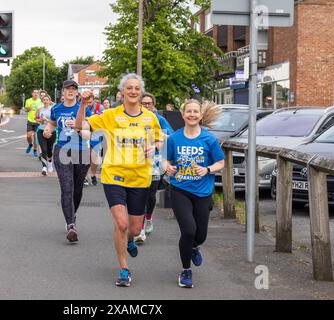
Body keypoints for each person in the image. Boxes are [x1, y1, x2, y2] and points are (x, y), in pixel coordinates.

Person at [75, 73, 163, 287]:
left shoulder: (150, 118)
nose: (133, 91)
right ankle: (124, 268)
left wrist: (155, 146)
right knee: (121, 224)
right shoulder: (111, 115)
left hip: (140, 177)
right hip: (114, 174)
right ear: (122, 92)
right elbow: (80, 126)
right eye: (129, 88)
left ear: (140, 93)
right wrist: (82, 105)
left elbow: (159, 139)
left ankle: (131, 240)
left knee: (133, 229)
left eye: (136, 88)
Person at [164, 99, 224, 289]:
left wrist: (207, 169)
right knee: (188, 230)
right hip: (180, 189)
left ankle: (194, 247)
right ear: (183, 115)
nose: (191, 114)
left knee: (201, 235)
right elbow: (164, 160)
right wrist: (167, 167)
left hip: (203, 192)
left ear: (200, 115)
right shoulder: (174, 138)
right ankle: (185, 271)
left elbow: (221, 163)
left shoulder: (209, 139)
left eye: (195, 112)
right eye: (188, 111)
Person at [43, 80, 92, 243]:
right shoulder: (56, 108)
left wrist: (78, 128)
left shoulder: (83, 109)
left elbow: (88, 134)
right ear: (62, 92)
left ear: (77, 93)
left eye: (73, 89)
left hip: (81, 151)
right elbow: (51, 124)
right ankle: (71, 225)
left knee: (77, 189)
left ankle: (72, 214)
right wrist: (48, 131)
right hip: (62, 150)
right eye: (67, 89)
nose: (70, 91)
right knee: (66, 187)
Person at [134, 93, 174, 244]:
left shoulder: (159, 119)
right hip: (136, 162)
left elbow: (170, 135)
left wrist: (157, 139)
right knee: (140, 195)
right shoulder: (135, 117)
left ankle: (148, 218)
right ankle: (140, 228)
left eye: (149, 103)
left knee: (151, 195)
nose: (146, 106)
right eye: (143, 103)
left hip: (155, 162)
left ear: (153, 105)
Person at [85, 94, 105, 186]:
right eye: (86, 102)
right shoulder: (81, 107)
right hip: (85, 134)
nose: (88, 104)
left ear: (93, 100)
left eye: (90, 102)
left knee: (95, 158)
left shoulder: (100, 108)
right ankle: (84, 176)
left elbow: (102, 120)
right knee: (85, 157)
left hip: (96, 135)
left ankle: (93, 174)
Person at [36, 94, 56, 176]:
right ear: (42, 101)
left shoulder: (52, 109)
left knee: (49, 149)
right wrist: (40, 120)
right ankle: (44, 167)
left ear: (49, 101)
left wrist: (46, 119)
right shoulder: (39, 109)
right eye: (44, 100)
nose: (45, 101)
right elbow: (36, 118)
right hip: (41, 131)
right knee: (43, 149)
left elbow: (54, 121)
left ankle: (50, 163)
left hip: (51, 131)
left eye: (47, 100)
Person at [24, 89, 44, 157]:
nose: (35, 94)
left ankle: (35, 150)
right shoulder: (28, 100)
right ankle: (30, 144)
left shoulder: (40, 101)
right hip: (30, 120)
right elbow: (26, 110)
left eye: (37, 93)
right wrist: (29, 108)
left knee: (35, 137)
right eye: (34, 92)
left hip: (37, 121)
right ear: (32, 93)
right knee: (29, 136)